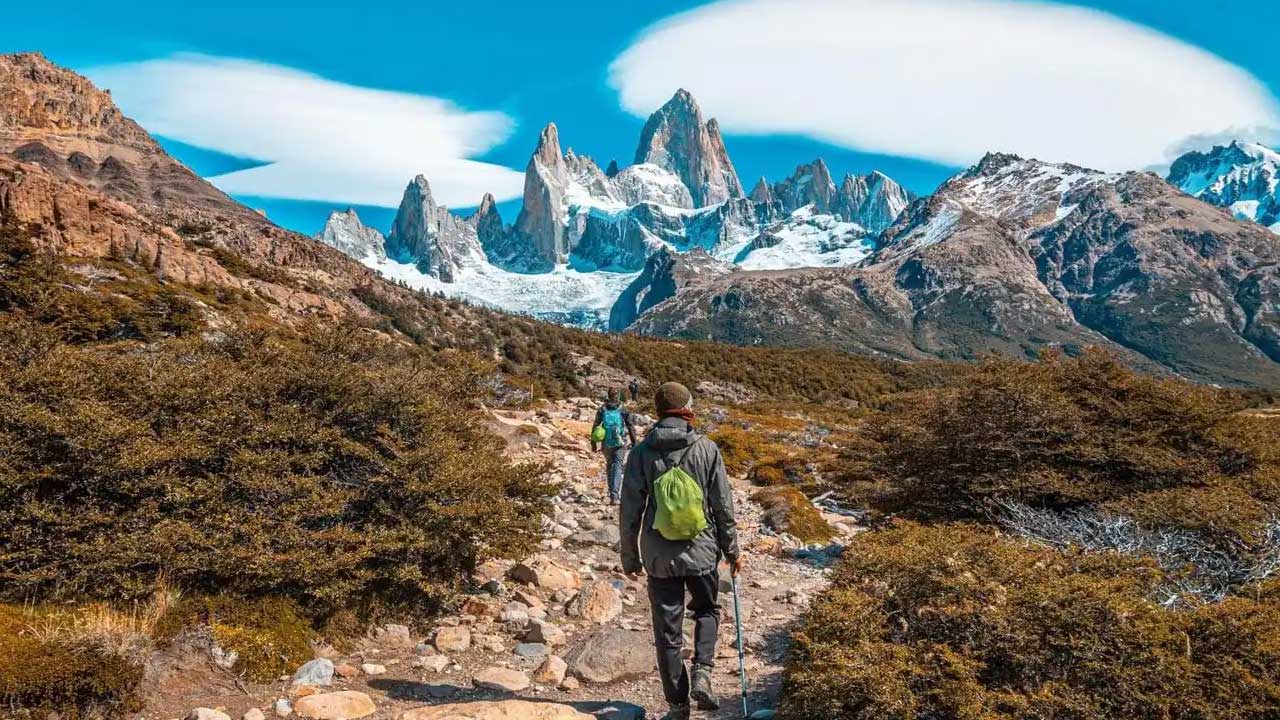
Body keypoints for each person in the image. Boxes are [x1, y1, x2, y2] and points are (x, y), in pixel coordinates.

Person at [619, 382, 741, 720]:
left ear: (659, 411)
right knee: (706, 611)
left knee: (667, 632)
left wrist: (629, 556)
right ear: (687, 407)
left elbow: (630, 510)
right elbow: (722, 506)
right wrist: (731, 550)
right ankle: (703, 670)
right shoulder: (706, 448)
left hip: (659, 556)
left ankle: (677, 705)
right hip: (701, 551)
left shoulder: (642, 452)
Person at [591, 388, 637, 504]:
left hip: (606, 442)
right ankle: (615, 496)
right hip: (621, 442)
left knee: (609, 465)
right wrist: (634, 442)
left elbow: (595, 425)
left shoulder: (602, 409)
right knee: (618, 466)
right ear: (619, 395)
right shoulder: (623, 409)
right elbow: (630, 426)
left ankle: (611, 491)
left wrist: (593, 443)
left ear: (608, 395)